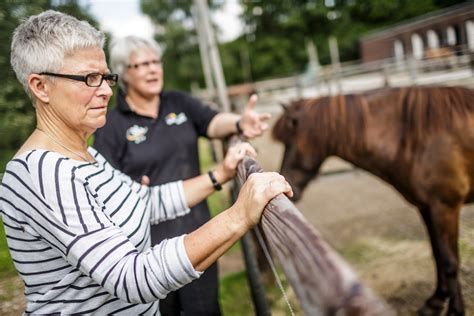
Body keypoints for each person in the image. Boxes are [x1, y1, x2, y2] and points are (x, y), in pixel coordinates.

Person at [0, 10, 293, 315]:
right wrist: (238, 216)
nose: (105, 91)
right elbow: (131, 277)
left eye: (105, 77)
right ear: (40, 87)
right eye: (89, 78)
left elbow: (149, 201)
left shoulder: (88, 156)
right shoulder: (43, 174)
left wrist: (221, 173)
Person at [93, 36, 271, 315]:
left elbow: (212, 122)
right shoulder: (111, 126)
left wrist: (239, 122)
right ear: (124, 74)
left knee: (205, 310)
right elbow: (103, 186)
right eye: (141, 64)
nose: (153, 69)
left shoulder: (178, 102)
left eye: (155, 62)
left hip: (199, 236)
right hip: (146, 251)